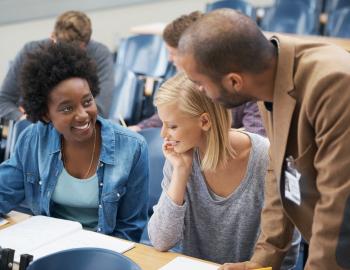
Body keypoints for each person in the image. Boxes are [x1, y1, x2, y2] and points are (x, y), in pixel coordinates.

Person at [177, 8, 350, 270]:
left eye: (200, 83)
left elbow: (339, 203)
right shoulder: (266, 80)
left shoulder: (333, 83)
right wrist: (262, 260)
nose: (199, 91)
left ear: (234, 81)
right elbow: (279, 173)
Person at [0, 42, 149, 242]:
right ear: (45, 114)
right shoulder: (33, 139)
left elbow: (130, 229)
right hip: (46, 247)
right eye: (67, 108)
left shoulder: (132, 147)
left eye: (87, 102)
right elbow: (3, 192)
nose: (82, 115)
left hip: (104, 251)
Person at [147, 72, 298, 267]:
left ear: (204, 122)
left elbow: (288, 251)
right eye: (162, 124)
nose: (163, 134)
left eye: (172, 126)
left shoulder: (267, 158)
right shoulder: (180, 157)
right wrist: (180, 172)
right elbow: (161, 240)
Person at [130, 11, 265, 137]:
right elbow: (167, 114)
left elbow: (257, 143)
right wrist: (141, 128)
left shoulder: (247, 88)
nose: (169, 59)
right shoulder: (185, 84)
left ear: (192, 55)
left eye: (173, 53)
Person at [0, 10, 114, 120]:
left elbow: (100, 111)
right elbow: (3, 101)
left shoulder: (100, 55)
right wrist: (21, 118)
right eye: (63, 49)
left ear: (85, 46)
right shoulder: (30, 51)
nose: (68, 57)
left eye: (75, 51)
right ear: (52, 38)